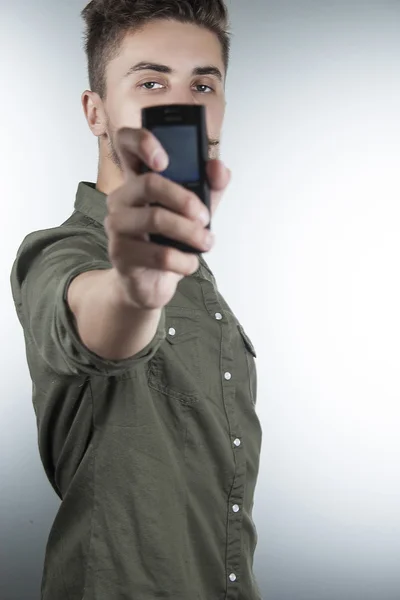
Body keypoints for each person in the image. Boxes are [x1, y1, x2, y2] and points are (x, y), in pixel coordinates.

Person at [10, 1, 263, 598]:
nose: (182, 108)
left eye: (203, 84)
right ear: (95, 111)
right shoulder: (61, 254)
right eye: (151, 82)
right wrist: (135, 289)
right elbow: (95, 318)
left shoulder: (200, 282)